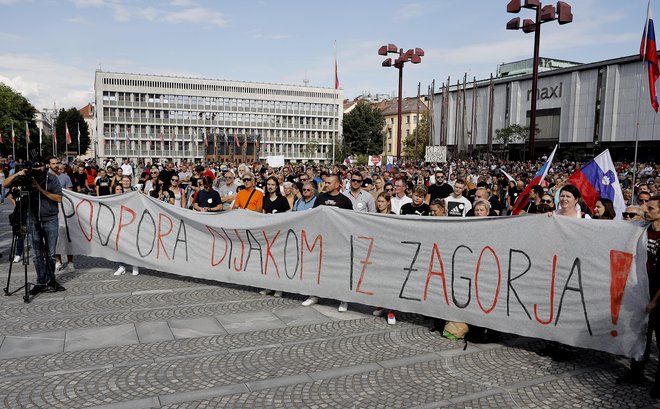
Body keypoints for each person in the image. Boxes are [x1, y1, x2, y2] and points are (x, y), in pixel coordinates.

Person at [3, 157, 66, 295]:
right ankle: (40, 281)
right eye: (35, 167)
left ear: (46, 166)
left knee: (50, 254)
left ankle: (51, 280)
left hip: (50, 219)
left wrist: (40, 189)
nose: (38, 169)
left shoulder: (52, 178)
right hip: (32, 219)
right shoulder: (27, 177)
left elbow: (59, 198)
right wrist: (17, 174)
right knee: (37, 255)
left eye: (41, 166)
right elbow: (5, 184)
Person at [619, 196, 660, 398]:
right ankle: (636, 372)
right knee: (639, 333)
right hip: (642, 288)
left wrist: (654, 301)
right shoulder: (643, 229)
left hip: (657, 293)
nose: (646, 210)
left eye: (651, 208)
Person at [305, 174, 352, 311]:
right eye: (325, 182)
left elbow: (350, 221)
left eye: (329, 183)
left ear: (338, 185)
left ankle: (343, 299)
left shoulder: (345, 201)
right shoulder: (320, 198)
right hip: (322, 240)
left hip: (338, 242)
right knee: (318, 269)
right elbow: (313, 216)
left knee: (339, 270)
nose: (326, 184)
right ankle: (315, 295)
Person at [51, 158, 75, 273]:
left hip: (64, 210)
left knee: (67, 237)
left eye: (58, 164)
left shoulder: (65, 178)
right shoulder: (47, 177)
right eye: (54, 164)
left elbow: (70, 194)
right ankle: (58, 261)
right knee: (54, 237)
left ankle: (70, 262)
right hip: (51, 210)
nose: (56, 166)